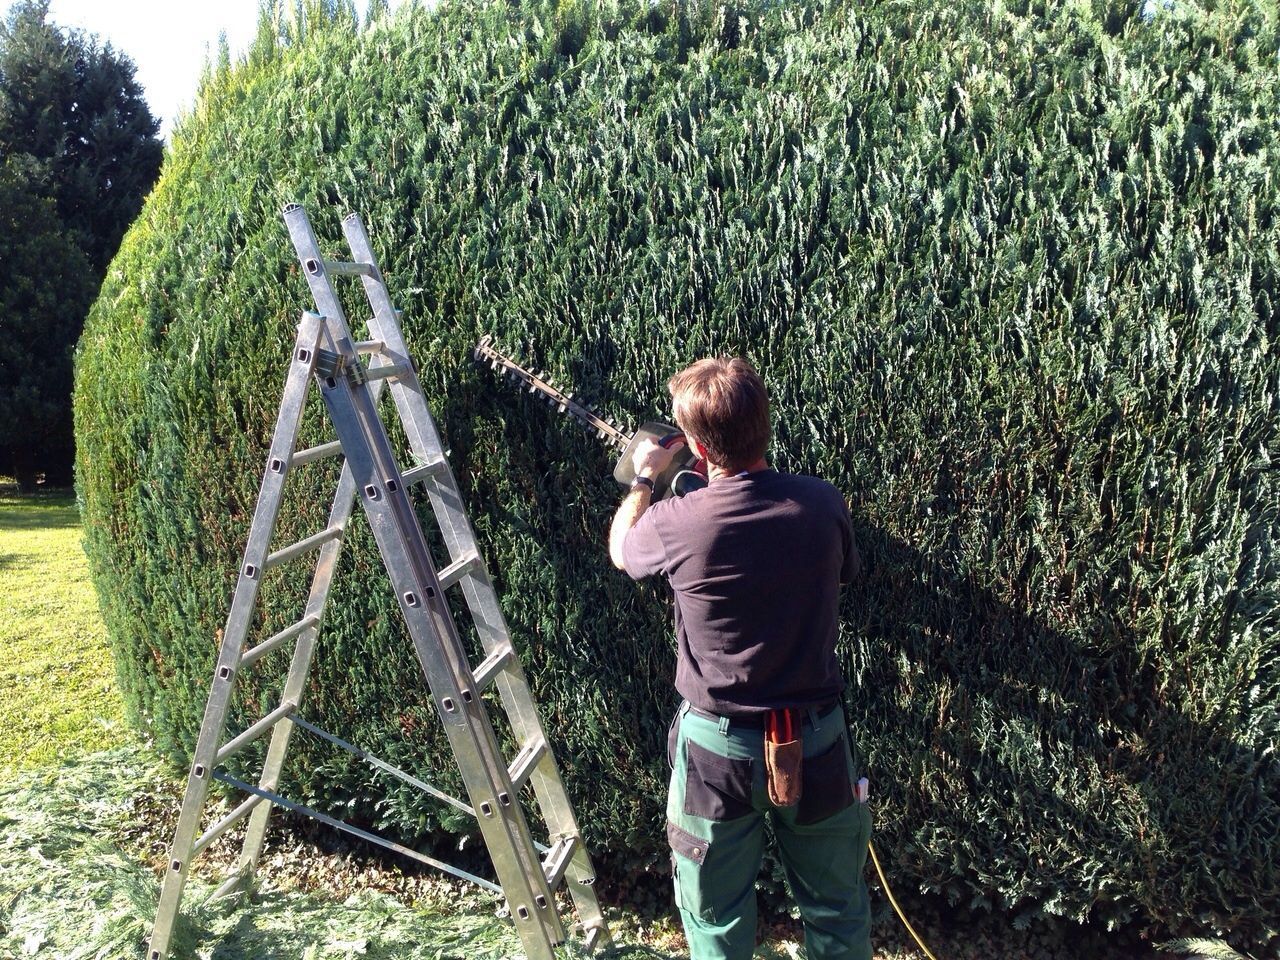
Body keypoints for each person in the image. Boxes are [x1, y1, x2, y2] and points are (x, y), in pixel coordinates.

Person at [608, 356, 872, 960]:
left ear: (699, 448)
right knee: (837, 911)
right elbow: (844, 572)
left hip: (716, 754)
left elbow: (623, 550)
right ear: (765, 426)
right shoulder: (823, 502)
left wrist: (644, 478)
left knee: (715, 918)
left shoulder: (677, 522)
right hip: (817, 740)